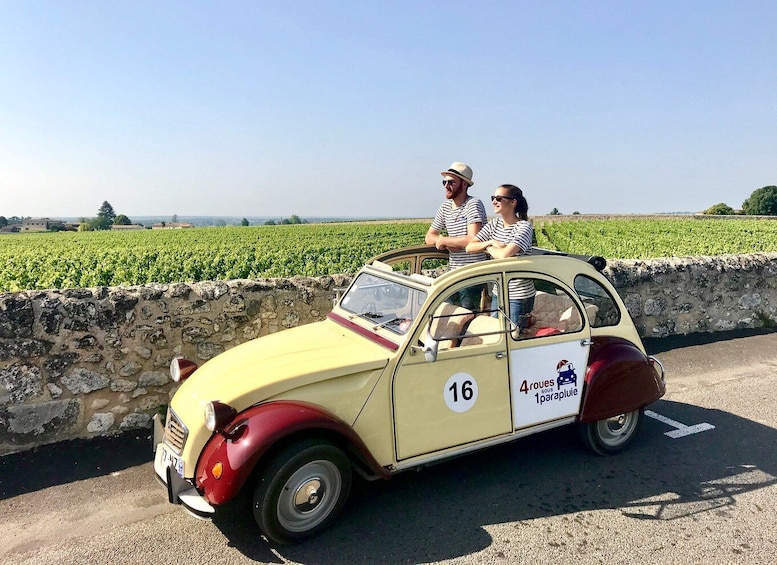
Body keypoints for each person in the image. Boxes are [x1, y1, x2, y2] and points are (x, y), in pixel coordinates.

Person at [466, 184, 535, 331]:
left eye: (498, 198)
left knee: (512, 338)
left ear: (512, 202)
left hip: (518, 296)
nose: (494, 202)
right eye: (493, 198)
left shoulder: (524, 227)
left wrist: (487, 248)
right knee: (495, 334)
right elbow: (469, 247)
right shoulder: (495, 224)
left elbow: (504, 255)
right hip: (499, 292)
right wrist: (491, 243)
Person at [425, 162, 489, 310]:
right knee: (447, 312)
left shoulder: (473, 204)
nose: (446, 186)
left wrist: (445, 240)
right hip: (453, 273)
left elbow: (472, 239)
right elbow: (429, 236)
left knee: (465, 316)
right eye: (444, 182)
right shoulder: (445, 207)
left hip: (471, 276)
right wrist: (447, 242)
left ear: (464, 184)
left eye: (451, 182)